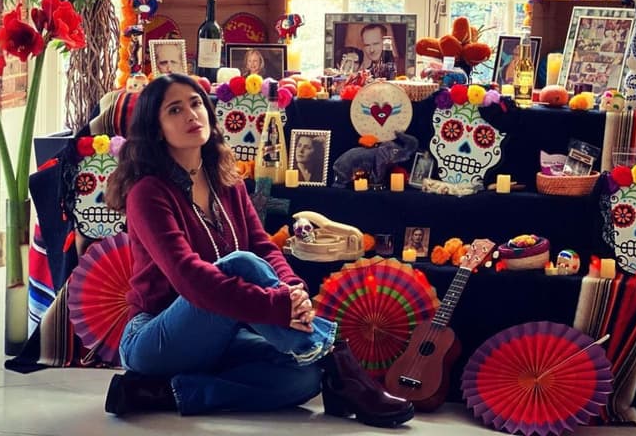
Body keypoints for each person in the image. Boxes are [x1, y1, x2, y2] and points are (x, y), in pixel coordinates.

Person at [101, 73, 415, 426]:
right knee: (239, 262)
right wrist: (277, 305)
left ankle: (159, 393)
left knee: (304, 377)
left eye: (195, 103)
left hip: (224, 333)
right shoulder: (148, 193)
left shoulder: (225, 178)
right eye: (175, 110)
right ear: (156, 129)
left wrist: (291, 288)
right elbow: (189, 277)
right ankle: (340, 363)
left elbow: (264, 246)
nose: (191, 114)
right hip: (157, 336)